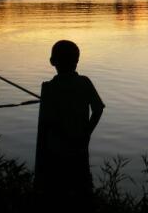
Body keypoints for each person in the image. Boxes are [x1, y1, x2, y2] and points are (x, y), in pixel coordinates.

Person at [35, 40, 105, 205]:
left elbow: (45, 124)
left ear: (52, 61)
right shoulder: (84, 82)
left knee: (57, 194)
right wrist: (87, 133)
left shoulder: (49, 88)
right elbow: (98, 109)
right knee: (83, 191)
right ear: (77, 61)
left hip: (54, 152)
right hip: (79, 148)